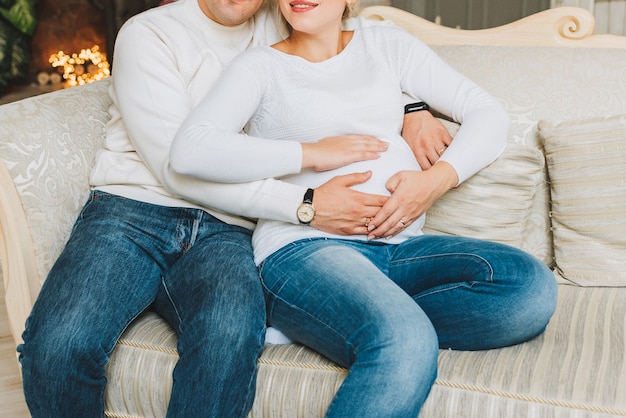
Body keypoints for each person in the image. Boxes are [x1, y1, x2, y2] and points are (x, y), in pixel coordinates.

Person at [16, 0, 452, 417]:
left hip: (230, 227)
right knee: (59, 345)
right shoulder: (149, 33)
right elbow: (176, 168)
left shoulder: (283, 19)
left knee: (228, 338)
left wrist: (413, 105)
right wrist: (302, 203)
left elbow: (358, 44)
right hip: (133, 210)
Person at [170, 0, 559, 416]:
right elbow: (191, 150)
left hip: (399, 248)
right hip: (306, 249)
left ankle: (327, 321)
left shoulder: (387, 45)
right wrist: (310, 154)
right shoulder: (259, 66)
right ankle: (352, 319)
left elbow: (487, 113)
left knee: (527, 287)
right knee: (404, 339)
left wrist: (434, 181)